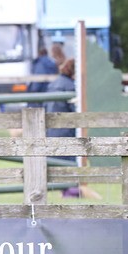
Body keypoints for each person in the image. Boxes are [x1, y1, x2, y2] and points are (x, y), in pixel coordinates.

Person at [45, 58, 80, 196]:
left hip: (51, 129)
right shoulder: (70, 87)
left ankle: (62, 189)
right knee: (68, 163)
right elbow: (75, 110)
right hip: (66, 130)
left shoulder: (53, 84)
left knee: (57, 162)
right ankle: (70, 191)